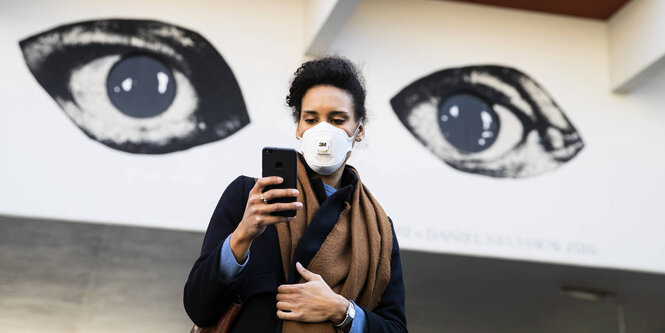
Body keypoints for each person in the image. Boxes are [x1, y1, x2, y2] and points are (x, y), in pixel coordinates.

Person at [183, 56, 407, 332]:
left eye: (337, 120)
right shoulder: (249, 196)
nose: (322, 131)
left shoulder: (379, 230)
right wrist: (243, 235)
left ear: (358, 130)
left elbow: (396, 327)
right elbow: (198, 306)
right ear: (299, 128)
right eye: (311, 119)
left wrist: (341, 310)